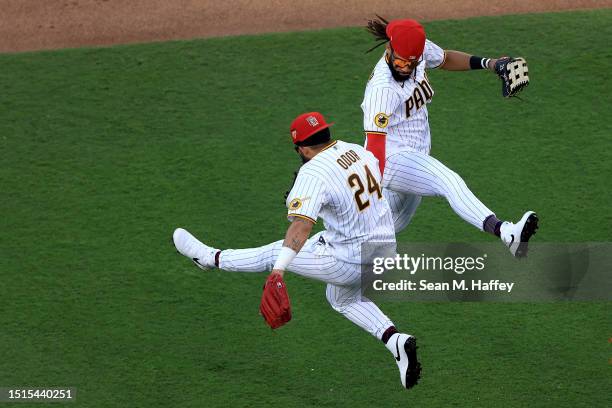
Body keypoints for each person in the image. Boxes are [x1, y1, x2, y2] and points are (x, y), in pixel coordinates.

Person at [173, 112, 421, 389]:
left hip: (349, 261)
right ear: (327, 133)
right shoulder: (356, 150)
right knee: (341, 299)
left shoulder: (312, 173)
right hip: (385, 252)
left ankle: (209, 258)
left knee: (275, 254)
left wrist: (280, 269)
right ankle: (394, 340)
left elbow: (300, 228)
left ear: (302, 148)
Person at [362, 17, 538, 257]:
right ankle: (506, 232)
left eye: (411, 64)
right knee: (448, 181)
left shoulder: (417, 51)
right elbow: (374, 147)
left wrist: (491, 63)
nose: (404, 68)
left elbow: (444, 59)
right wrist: (369, 191)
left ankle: (324, 249)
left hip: (415, 156)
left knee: (383, 229)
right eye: (400, 61)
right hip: (391, 158)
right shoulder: (382, 90)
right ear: (389, 48)